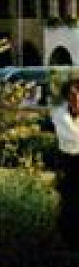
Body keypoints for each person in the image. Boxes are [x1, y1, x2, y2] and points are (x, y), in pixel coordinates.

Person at [51, 78, 79, 248]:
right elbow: (73, 137)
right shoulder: (60, 115)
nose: (75, 98)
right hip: (69, 165)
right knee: (70, 211)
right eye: (72, 95)